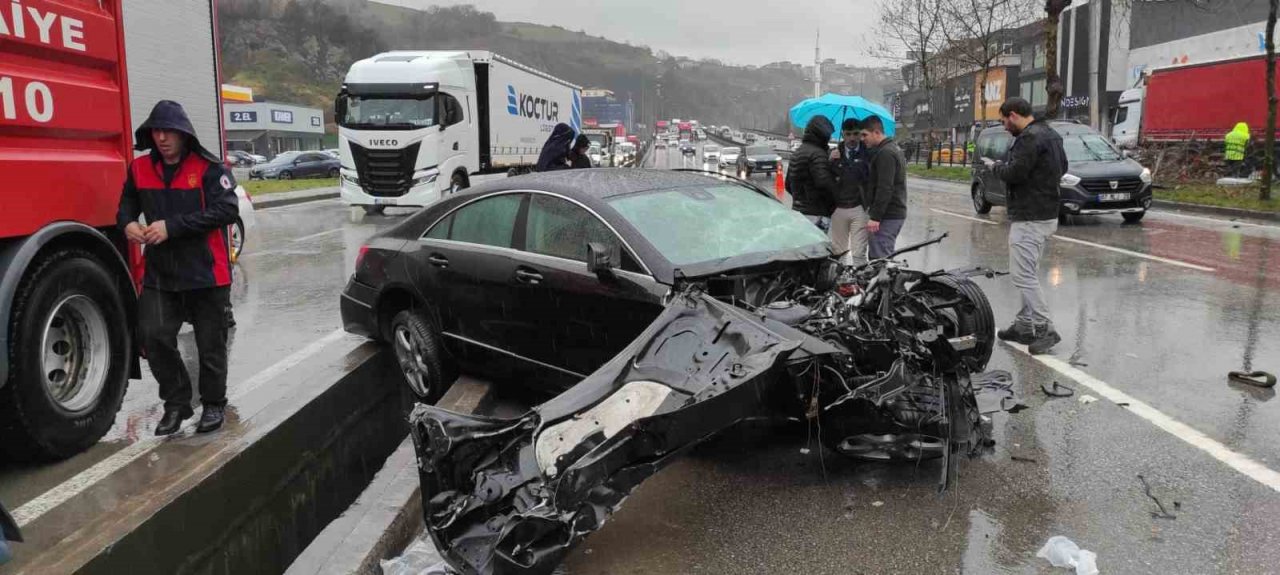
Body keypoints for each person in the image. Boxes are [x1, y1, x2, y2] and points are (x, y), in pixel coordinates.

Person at [117, 100, 239, 435]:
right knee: (152, 336)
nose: (162, 137)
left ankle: (214, 404)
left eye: (169, 131)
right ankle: (177, 403)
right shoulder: (139, 168)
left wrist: (172, 227)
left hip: (206, 274)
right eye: (156, 131)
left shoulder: (209, 167)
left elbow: (227, 210)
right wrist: (127, 224)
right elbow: (125, 206)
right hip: (161, 276)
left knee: (209, 345)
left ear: (184, 134)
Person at [983, 97, 1068, 355]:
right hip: (1045, 213)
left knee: (1022, 275)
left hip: (1029, 216)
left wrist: (996, 167)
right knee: (1028, 273)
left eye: (1004, 121)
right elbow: (1063, 167)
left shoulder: (1029, 138)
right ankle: (1023, 325)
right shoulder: (1051, 134)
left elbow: (1015, 173)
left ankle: (1045, 328)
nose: (1004, 126)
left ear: (1013, 115)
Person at [860, 116, 907, 259]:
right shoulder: (890, 149)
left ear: (876, 132)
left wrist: (875, 217)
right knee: (880, 257)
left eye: (864, 135)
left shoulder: (885, 153)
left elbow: (885, 187)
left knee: (880, 260)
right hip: (891, 214)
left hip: (888, 215)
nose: (862, 139)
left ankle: (884, 282)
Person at [829, 118, 871, 266]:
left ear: (860, 134)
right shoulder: (834, 154)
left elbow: (872, 179)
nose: (852, 138)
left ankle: (861, 285)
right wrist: (830, 161)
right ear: (843, 134)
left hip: (859, 208)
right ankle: (840, 286)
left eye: (855, 134)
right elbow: (825, 179)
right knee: (838, 252)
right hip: (837, 209)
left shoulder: (868, 153)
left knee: (859, 252)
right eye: (848, 134)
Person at [787, 115, 837, 231]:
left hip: (798, 211)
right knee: (818, 248)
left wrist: (800, 199)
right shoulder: (818, 154)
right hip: (816, 212)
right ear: (822, 135)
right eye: (828, 135)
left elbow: (788, 184)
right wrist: (834, 202)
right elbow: (824, 184)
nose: (829, 138)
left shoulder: (797, 152)